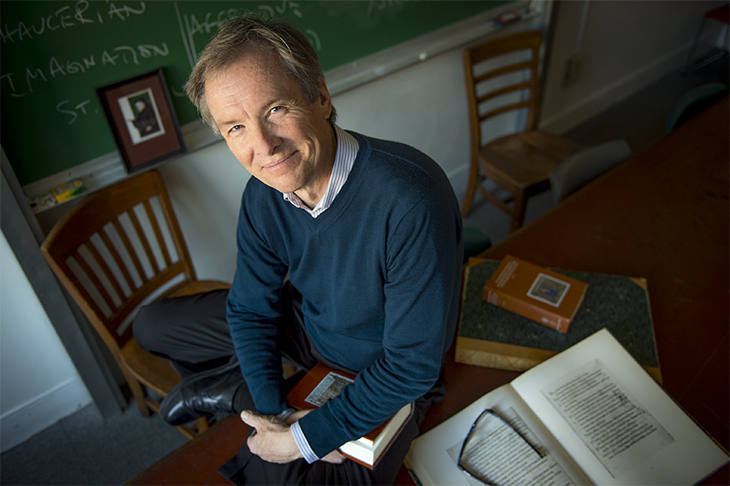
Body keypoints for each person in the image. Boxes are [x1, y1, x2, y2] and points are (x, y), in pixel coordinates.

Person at [132, 15, 463, 485]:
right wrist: (270, 409)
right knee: (151, 326)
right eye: (235, 128)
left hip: (383, 370)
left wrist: (302, 439)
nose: (262, 146)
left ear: (321, 97)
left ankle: (236, 392)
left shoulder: (410, 198)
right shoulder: (262, 195)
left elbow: (411, 367)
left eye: (275, 109)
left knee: (286, 474)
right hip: (312, 329)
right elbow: (249, 309)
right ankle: (244, 390)